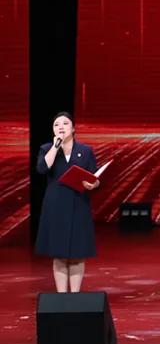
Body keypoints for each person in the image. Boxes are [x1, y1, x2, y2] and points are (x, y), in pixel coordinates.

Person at [35, 112, 100, 292]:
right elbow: (42, 168)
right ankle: (62, 296)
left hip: (78, 204)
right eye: (56, 124)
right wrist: (55, 147)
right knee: (59, 254)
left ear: (73, 129)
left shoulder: (85, 151)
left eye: (65, 123)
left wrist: (93, 184)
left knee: (77, 254)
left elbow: (95, 177)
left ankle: (75, 296)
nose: (61, 127)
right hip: (55, 206)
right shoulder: (47, 149)